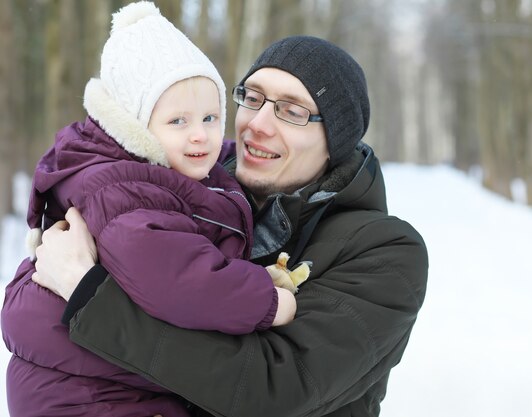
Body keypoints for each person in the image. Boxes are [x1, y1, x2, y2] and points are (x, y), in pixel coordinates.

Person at [31, 34, 429, 417]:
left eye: (291, 111)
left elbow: (273, 388)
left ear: (336, 141)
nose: (258, 123)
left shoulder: (385, 252)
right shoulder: (184, 187)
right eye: (252, 98)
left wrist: (87, 294)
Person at [1, 2, 300, 416]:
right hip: (87, 394)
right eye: (178, 122)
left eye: (211, 117)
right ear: (135, 126)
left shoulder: (163, 173)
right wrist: (265, 300)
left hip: (106, 379)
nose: (200, 135)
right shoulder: (124, 192)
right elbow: (180, 283)